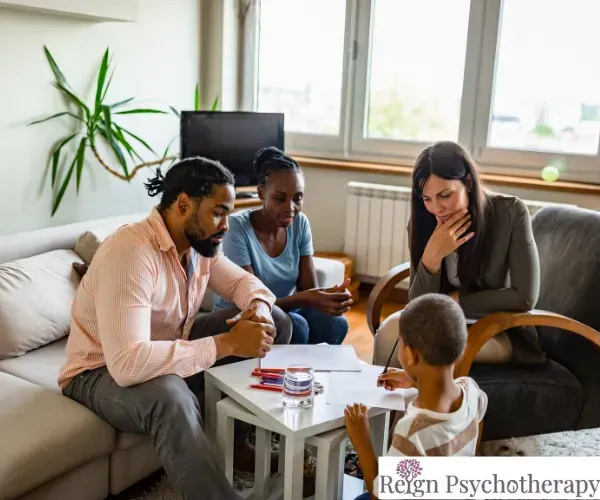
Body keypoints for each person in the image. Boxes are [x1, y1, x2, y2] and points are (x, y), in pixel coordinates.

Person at [58, 157, 293, 500]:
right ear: (183, 204)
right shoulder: (132, 254)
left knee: (278, 323)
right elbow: (127, 364)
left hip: (167, 345)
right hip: (98, 370)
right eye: (218, 212)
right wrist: (226, 343)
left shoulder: (201, 247)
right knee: (170, 396)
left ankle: (238, 440)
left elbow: (246, 285)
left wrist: (257, 309)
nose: (226, 224)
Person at [374, 140, 546, 369]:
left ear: (468, 182)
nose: (436, 208)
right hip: (443, 323)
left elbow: (525, 296)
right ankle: (385, 403)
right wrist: (431, 259)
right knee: (387, 333)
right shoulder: (423, 223)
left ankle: (422, 405)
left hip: (497, 330)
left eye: (445, 195)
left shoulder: (510, 213)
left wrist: (456, 301)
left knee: (425, 349)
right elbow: (418, 304)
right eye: (427, 198)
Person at [345, 293, 488, 499]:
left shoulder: (413, 431)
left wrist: (362, 440)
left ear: (411, 355)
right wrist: (414, 380)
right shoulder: (471, 390)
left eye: (400, 343)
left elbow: (381, 495)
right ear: (461, 349)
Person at [214, 146, 351, 345]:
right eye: (280, 198)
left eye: (298, 198)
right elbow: (251, 298)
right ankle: (286, 375)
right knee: (297, 324)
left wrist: (329, 297)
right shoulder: (237, 227)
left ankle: (310, 373)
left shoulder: (300, 223)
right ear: (261, 193)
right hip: (242, 312)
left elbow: (307, 289)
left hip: (284, 308)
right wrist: (308, 298)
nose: (290, 207)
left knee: (336, 323)